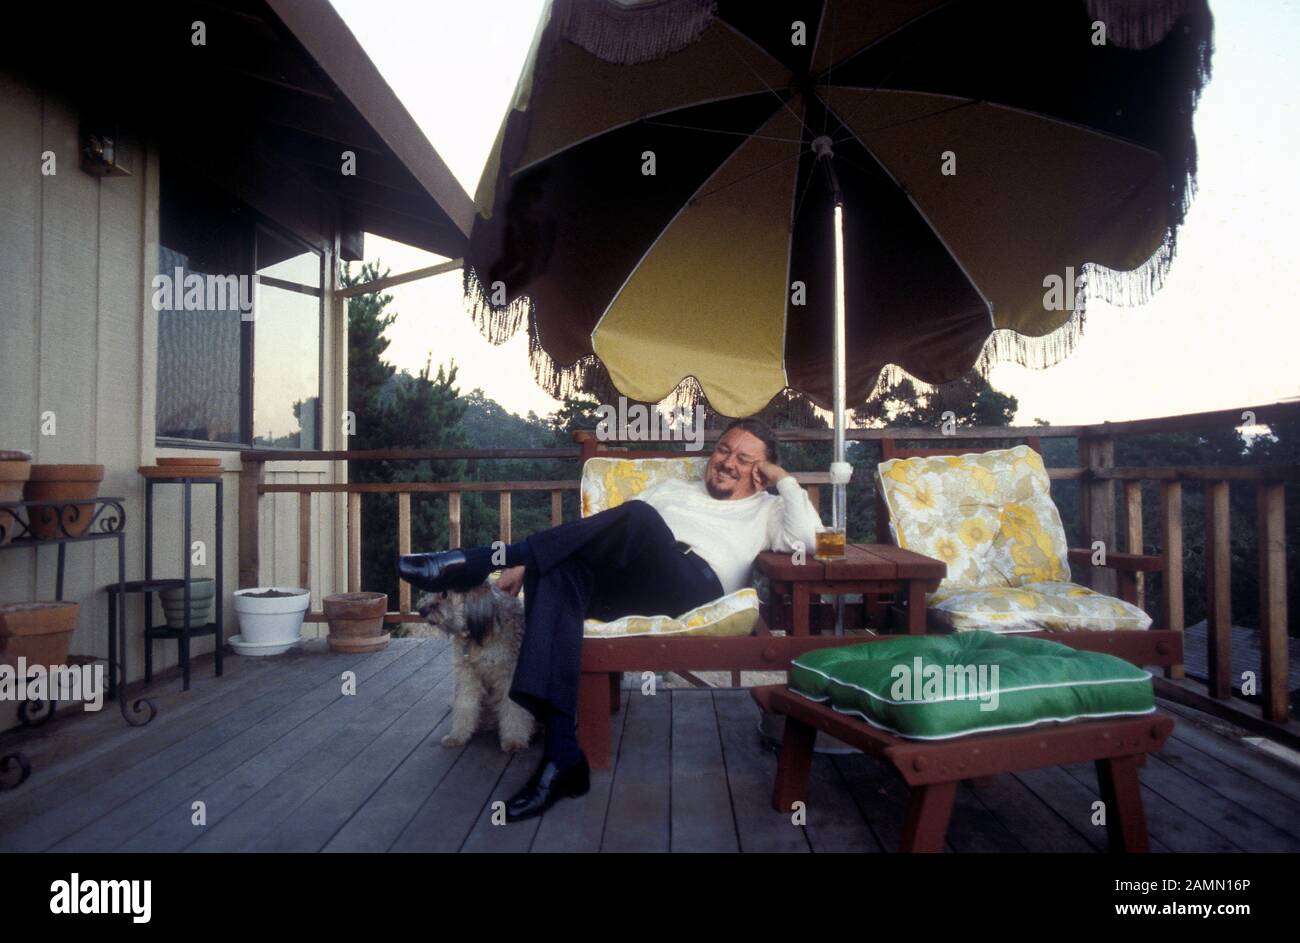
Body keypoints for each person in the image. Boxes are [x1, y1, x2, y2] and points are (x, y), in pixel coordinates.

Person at [397, 417, 822, 821]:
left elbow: (811, 539)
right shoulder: (673, 489)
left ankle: (477, 559)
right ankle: (562, 755)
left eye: (745, 460)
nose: (728, 462)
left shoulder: (769, 510)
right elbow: (600, 533)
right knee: (556, 568)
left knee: (638, 516)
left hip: (692, 586)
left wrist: (782, 478)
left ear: (761, 472)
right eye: (724, 449)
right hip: (630, 585)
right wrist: (533, 564)